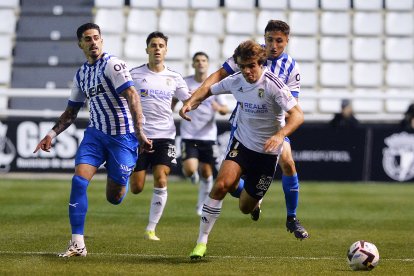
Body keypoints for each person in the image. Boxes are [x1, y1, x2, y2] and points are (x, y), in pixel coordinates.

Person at [182, 20, 309, 239]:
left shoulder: (291, 68)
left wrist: (279, 133)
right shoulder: (251, 54)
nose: (273, 45)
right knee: (228, 183)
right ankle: (250, 197)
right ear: (265, 38)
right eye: (270, 40)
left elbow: (293, 109)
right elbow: (219, 76)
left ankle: (292, 218)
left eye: (279, 41)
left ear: (286, 41)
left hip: (273, 126)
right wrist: (194, 99)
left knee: (288, 161)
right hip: (243, 124)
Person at [33, 23, 151, 258]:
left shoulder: (113, 65)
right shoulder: (81, 74)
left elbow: (132, 95)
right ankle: (78, 243)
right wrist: (51, 134)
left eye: (96, 38)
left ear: (102, 40)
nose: (93, 42)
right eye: (88, 39)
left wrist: (139, 131)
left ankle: (122, 175)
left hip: (123, 137)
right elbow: (71, 112)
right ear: (80, 44)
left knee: (114, 198)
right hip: (95, 135)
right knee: (78, 181)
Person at [129, 31, 191, 241]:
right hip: (138, 136)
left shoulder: (174, 77)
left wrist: (186, 107)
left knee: (161, 177)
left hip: (166, 136)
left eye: (161, 45)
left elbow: (189, 99)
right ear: (147, 49)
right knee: (136, 188)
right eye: (153, 45)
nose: (157, 49)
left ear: (166, 50)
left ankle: (151, 228)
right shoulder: (134, 75)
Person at [179, 52, 229, 216]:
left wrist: (218, 108)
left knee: (207, 172)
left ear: (207, 64)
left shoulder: (214, 85)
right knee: (189, 169)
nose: (200, 63)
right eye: (197, 61)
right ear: (193, 64)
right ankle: (191, 175)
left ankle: (201, 205)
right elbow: (173, 100)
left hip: (208, 136)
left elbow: (225, 109)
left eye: (203, 60)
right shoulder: (185, 83)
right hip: (189, 134)